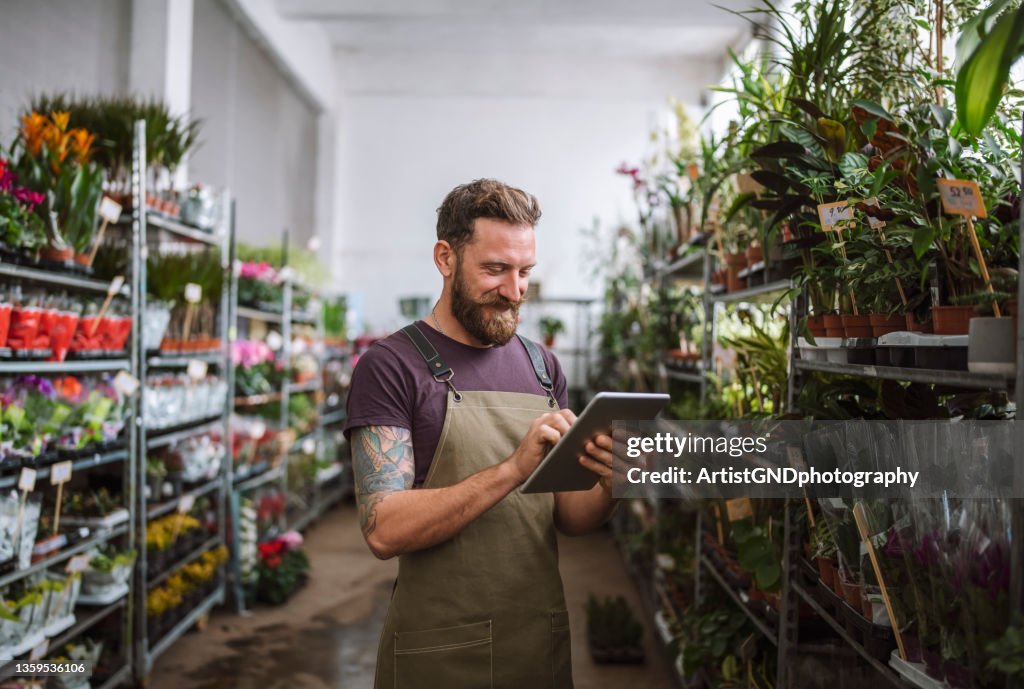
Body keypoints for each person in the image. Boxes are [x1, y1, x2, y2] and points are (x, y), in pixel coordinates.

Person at [344, 179, 618, 689]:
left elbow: (568, 516)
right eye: (494, 270)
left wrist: (610, 481)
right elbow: (383, 529)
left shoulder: (542, 367)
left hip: (538, 643)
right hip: (439, 653)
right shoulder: (391, 366)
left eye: (524, 272)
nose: (514, 291)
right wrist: (513, 468)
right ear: (446, 258)